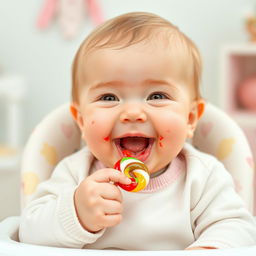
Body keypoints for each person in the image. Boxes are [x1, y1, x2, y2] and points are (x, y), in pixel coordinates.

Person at [19, 12, 256, 250]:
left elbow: (237, 228)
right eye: (109, 97)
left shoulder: (202, 177)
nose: (132, 112)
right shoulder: (75, 173)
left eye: (157, 96)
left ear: (191, 118)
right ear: (81, 121)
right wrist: (76, 213)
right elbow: (28, 232)